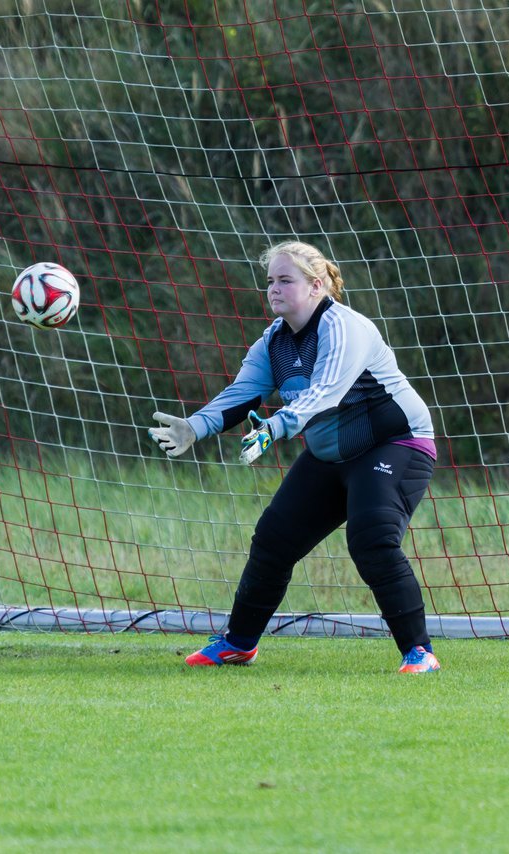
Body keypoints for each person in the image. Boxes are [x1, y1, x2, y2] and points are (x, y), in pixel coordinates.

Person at [147, 240, 440, 673]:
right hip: (329, 456)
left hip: (396, 444)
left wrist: (274, 428)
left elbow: (325, 394)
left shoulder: (345, 327)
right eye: (270, 281)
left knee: (372, 539)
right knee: (273, 540)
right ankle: (239, 643)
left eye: (286, 280)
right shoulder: (274, 341)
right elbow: (241, 394)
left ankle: (419, 653)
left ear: (317, 285)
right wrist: (195, 427)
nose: (274, 289)